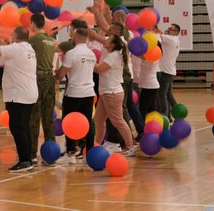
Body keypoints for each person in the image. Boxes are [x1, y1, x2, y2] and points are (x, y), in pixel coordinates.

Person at [0, 27, 38, 172]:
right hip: (28, 92)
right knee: (23, 126)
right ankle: (28, 158)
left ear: (16, 36)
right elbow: (4, 49)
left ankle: (24, 160)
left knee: (17, 127)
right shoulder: (28, 48)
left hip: (18, 94)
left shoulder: (17, 48)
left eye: (12, 35)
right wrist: (4, 42)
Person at [55, 28, 96, 164]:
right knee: (87, 122)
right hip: (89, 92)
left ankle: (71, 152)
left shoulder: (72, 53)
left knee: (69, 121)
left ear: (76, 37)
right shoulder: (91, 54)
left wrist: (54, 75)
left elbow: (61, 74)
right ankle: (89, 153)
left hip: (74, 93)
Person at [93, 35, 136, 157]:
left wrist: (89, 61)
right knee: (99, 120)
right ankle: (97, 144)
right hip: (106, 92)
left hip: (111, 92)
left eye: (108, 40)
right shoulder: (111, 52)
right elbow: (102, 41)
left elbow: (100, 69)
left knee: (118, 121)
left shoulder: (113, 55)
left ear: (112, 44)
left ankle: (130, 146)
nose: (105, 40)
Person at [28, 14, 57, 163]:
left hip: (38, 78)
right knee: (48, 117)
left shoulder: (34, 39)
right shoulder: (50, 40)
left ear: (33, 24)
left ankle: (32, 155)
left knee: (34, 117)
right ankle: (50, 154)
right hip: (50, 78)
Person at [157, 24, 181, 121]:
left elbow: (159, 35)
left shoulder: (171, 39)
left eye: (171, 29)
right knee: (168, 94)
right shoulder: (175, 40)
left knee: (162, 94)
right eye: (168, 28)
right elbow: (162, 34)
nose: (168, 30)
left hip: (165, 72)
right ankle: (176, 113)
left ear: (176, 32)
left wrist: (153, 26)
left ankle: (165, 116)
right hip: (171, 71)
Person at [137, 31, 161, 118]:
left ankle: (145, 127)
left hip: (149, 86)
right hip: (150, 85)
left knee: (144, 108)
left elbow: (138, 53)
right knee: (150, 108)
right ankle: (151, 126)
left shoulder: (152, 55)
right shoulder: (152, 54)